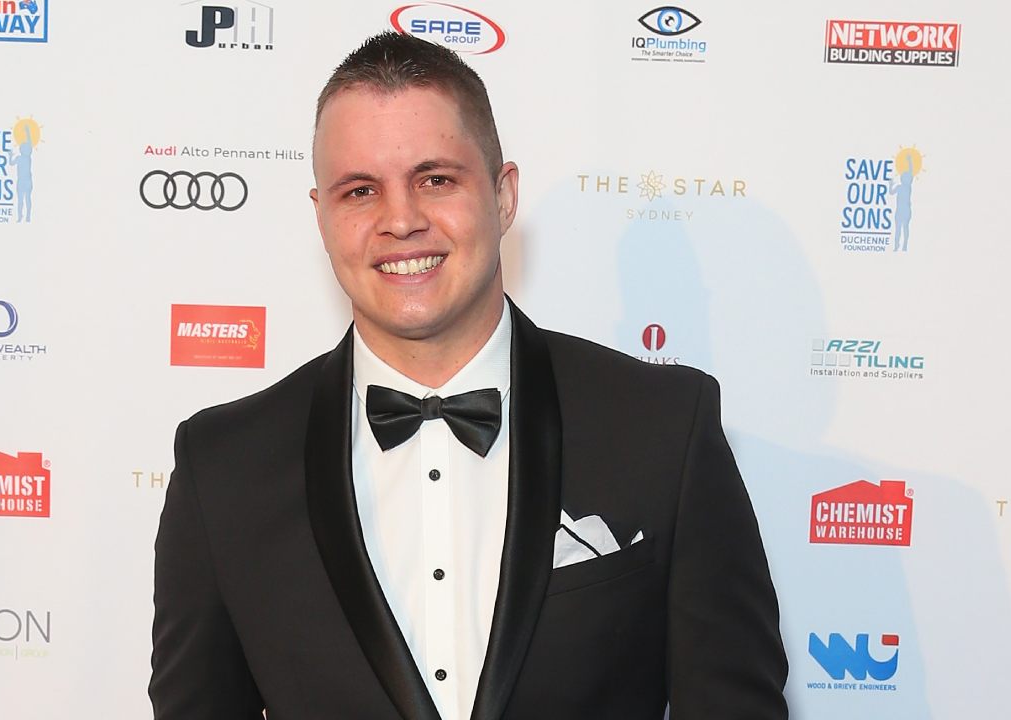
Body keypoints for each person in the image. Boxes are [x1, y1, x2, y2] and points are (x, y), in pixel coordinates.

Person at [150, 31, 787, 720]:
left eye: (436, 180)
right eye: (360, 191)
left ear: (504, 196)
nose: (401, 220)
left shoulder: (662, 428)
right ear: (323, 219)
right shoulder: (224, 467)